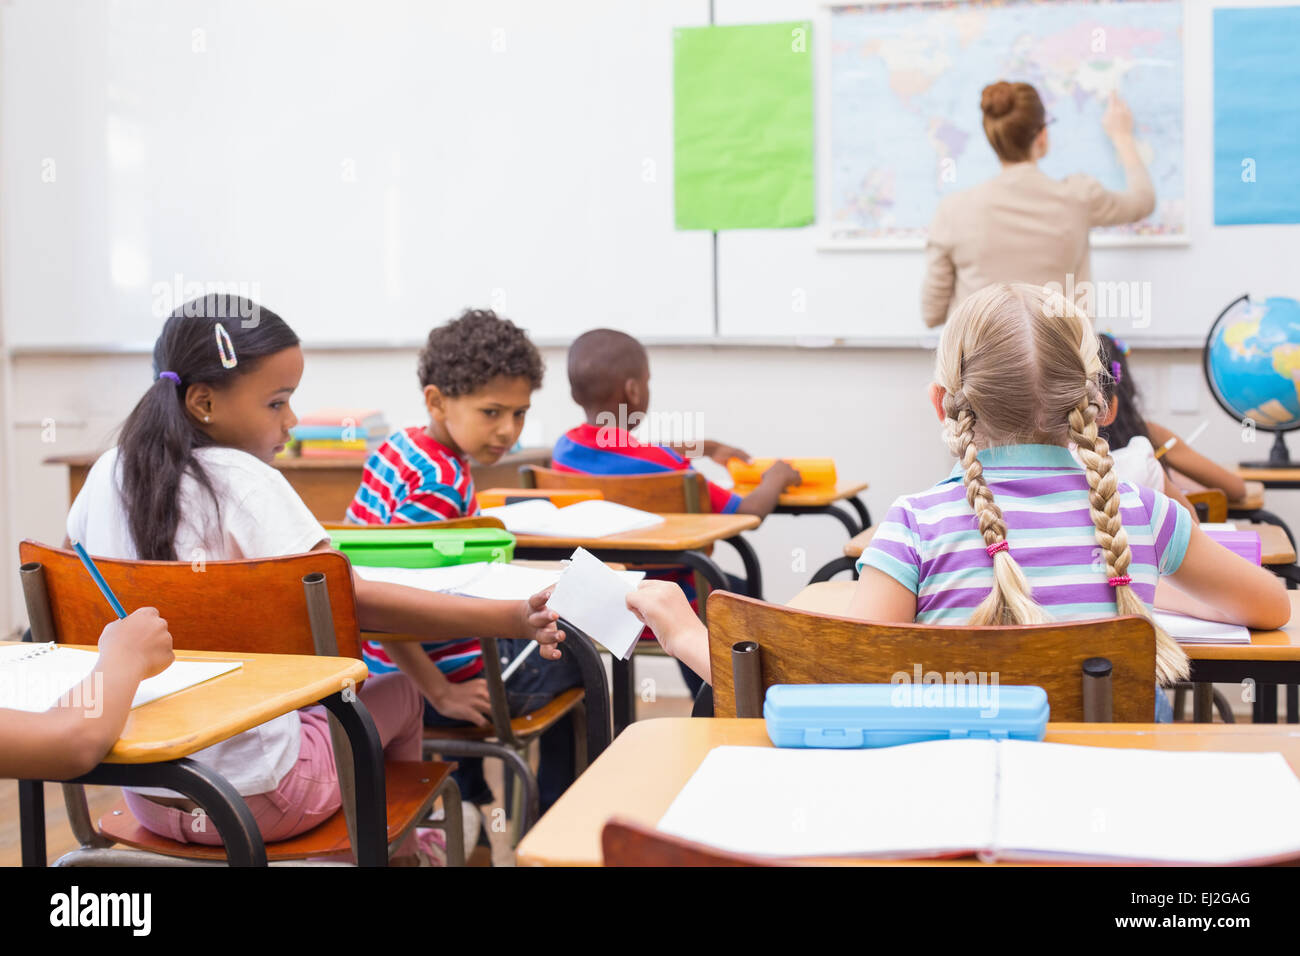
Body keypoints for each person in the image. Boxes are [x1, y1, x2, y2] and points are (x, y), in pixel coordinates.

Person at [628, 285, 1290, 724]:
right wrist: (1142, 589)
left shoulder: (914, 525)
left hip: (947, 818)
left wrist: (682, 628)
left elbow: (834, 686)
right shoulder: (1143, 514)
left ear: (942, 404)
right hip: (1116, 823)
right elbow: (1270, 605)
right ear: (1092, 405)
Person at [69, 295, 563, 856]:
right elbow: (357, 605)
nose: (292, 421)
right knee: (398, 692)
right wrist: (509, 616)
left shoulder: (108, 471)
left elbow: (69, 579)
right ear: (203, 402)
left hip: (150, 792)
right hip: (265, 797)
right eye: (277, 402)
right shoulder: (248, 484)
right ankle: (389, 852)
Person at [347, 308, 582, 823]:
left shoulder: (399, 448)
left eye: (519, 414)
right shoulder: (439, 485)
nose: (509, 431)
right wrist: (440, 692)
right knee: (580, 659)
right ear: (437, 400)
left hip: (382, 667)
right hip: (426, 678)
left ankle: (475, 801)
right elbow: (388, 604)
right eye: (492, 412)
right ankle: (551, 825)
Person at [922, 81, 1155, 328]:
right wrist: (1122, 136)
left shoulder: (953, 211)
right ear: (1042, 135)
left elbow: (932, 314)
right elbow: (1143, 200)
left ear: (993, 138)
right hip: (1060, 363)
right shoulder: (1079, 197)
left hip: (981, 363)